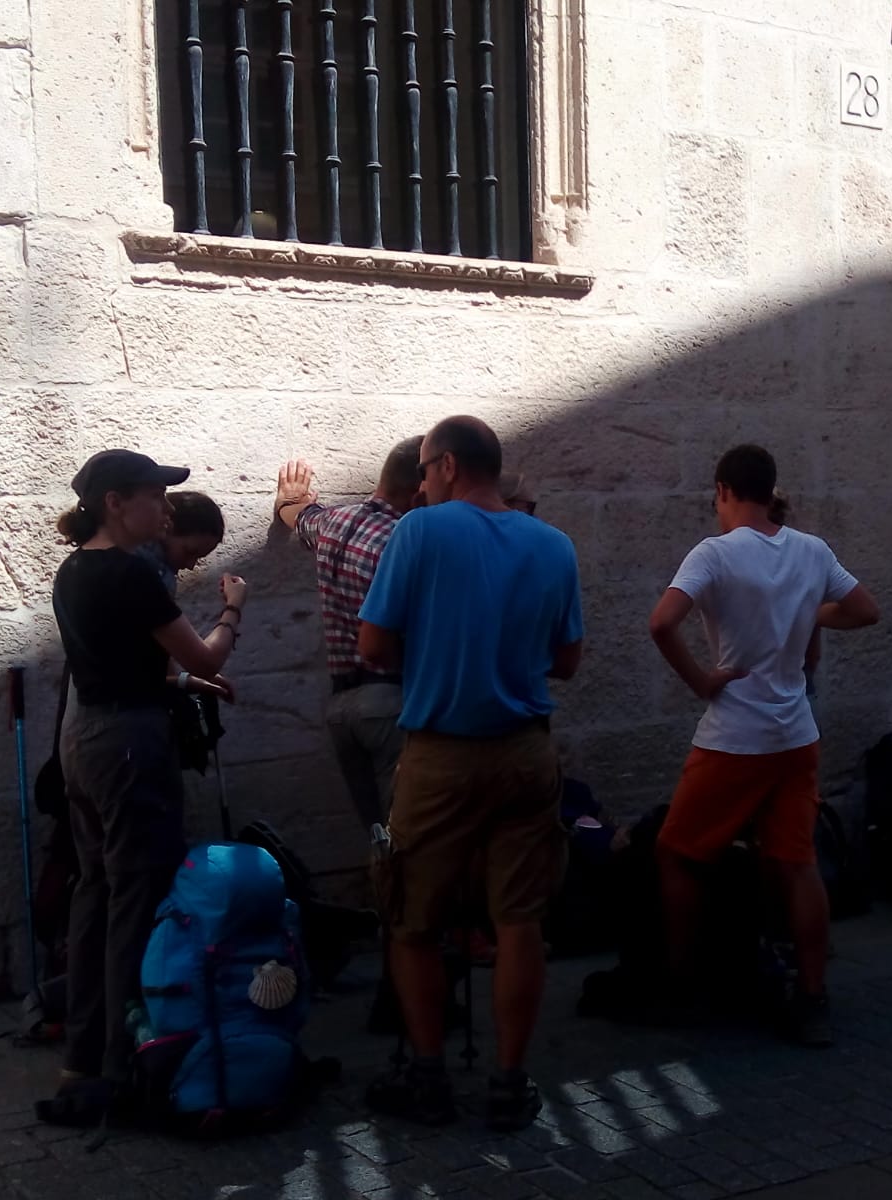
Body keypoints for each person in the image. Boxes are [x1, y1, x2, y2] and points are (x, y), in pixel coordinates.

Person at [357, 416, 582, 1132]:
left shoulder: (419, 531)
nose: (421, 484)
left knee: (412, 919)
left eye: (424, 471)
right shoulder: (553, 543)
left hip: (442, 756)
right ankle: (509, 1085)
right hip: (526, 752)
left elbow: (372, 646)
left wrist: (437, 655)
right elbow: (567, 661)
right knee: (519, 921)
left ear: (448, 466)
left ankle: (428, 1078)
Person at [38, 450, 249, 1125]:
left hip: (84, 741)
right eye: (153, 496)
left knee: (95, 893)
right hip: (128, 743)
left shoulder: (74, 570)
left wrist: (185, 681)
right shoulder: (130, 573)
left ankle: (82, 1060)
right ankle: (126, 1066)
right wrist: (232, 611)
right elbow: (205, 653)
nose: (163, 509)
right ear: (114, 503)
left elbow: (128, 665)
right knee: (136, 899)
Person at [648, 446, 878, 1048]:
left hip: (734, 735)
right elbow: (865, 609)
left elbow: (661, 622)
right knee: (796, 863)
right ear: (771, 490)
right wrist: (807, 617)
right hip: (795, 734)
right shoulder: (812, 550)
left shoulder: (714, 553)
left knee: (676, 853)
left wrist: (701, 682)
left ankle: (681, 987)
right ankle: (812, 996)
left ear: (723, 490)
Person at [273, 441, 422, 833]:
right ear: (419, 493)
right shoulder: (406, 541)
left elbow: (298, 515)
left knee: (377, 836)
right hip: (391, 702)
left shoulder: (335, 522)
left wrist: (290, 501)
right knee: (410, 830)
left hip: (342, 708)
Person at [138, 491, 227, 595]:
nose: (190, 566)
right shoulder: (159, 580)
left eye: (198, 558)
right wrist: (234, 601)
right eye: (189, 552)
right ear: (166, 527)